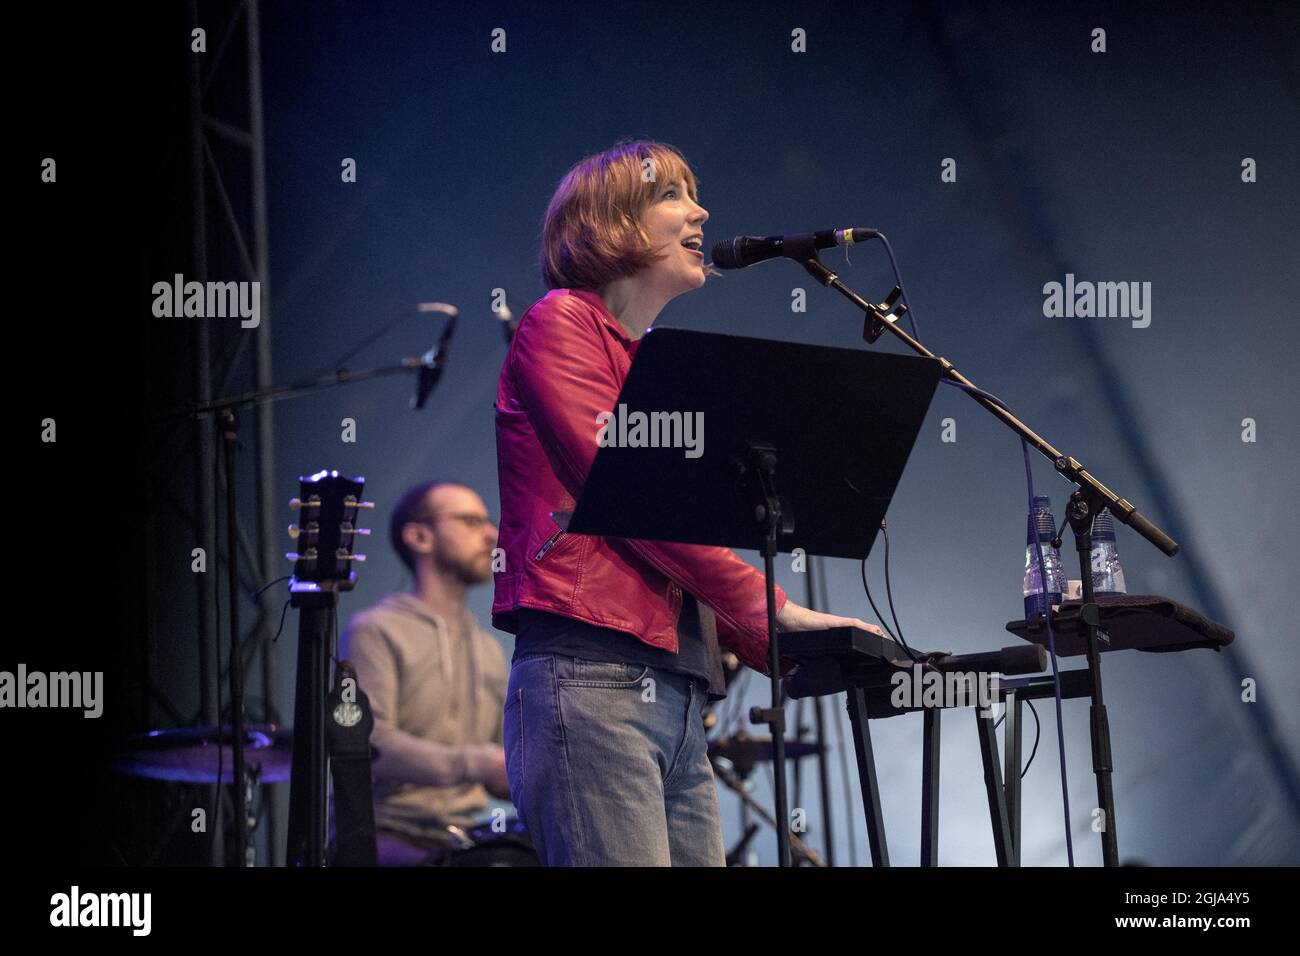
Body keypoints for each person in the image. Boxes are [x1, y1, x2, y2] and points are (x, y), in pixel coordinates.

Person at [493, 139, 882, 866]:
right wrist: (774, 613)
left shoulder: (653, 362)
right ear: (609, 222)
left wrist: (789, 647)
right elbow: (635, 498)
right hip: (593, 678)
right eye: (671, 195)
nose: (700, 210)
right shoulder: (560, 323)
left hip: (674, 693)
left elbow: (680, 531)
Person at [342, 480, 511, 866]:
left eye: (488, 522)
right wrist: (481, 762)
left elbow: (503, 766)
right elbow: (372, 744)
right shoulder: (375, 630)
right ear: (419, 536)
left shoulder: (487, 649)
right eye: (471, 521)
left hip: (466, 838)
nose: (491, 534)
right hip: (387, 839)